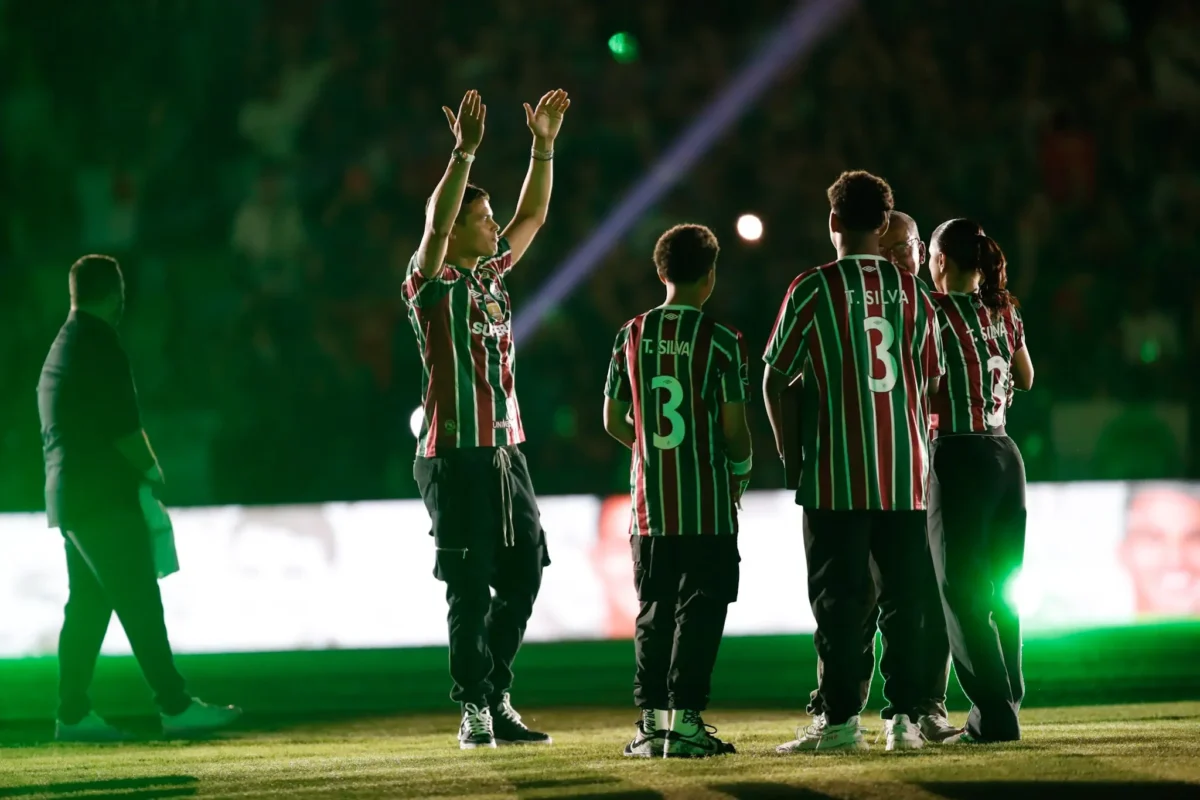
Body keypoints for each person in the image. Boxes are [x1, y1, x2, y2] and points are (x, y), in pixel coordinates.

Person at [403, 89, 569, 750]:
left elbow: (534, 212)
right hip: (453, 455)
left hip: (507, 453)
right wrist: (464, 154)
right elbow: (435, 227)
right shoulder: (433, 282)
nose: (496, 226)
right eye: (484, 216)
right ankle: (471, 706)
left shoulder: (492, 279)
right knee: (469, 586)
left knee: (525, 573)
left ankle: (495, 691)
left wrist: (543, 145)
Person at [762, 172, 946, 753]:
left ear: (835, 221)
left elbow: (774, 374)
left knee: (840, 604)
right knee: (906, 602)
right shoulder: (914, 292)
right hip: (906, 475)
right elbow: (932, 377)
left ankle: (841, 722)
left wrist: (790, 452)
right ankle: (906, 721)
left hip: (834, 474)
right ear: (885, 224)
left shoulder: (813, 288)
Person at [37, 254, 241, 742]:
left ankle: (72, 714)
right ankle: (173, 704)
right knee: (139, 601)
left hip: (71, 498)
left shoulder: (63, 344)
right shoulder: (99, 343)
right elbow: (124, 426)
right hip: (102, 496)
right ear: (114, 293)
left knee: (87, 608)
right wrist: (152, 470)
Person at [602, 224, 752, 759]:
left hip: (651, 509)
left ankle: (651, 725)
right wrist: (741, 469)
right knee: (702, 610)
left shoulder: (631, 334)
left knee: (654, 610)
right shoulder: (722, 341)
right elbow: (734, 426)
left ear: (660, 272)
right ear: (709, 276)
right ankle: (687, 721)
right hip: (707, 504)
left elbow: (612, 418)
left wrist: (648, 450)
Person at [926, 219, 1033, 744]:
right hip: (1006, 455)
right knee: (1002, 591)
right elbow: (1026, 376)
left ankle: (992, 714)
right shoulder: (1004, 311)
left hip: (960, 454)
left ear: (941, 259)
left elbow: (919, 380)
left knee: (962, 590)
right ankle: (1008, 698)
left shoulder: (933, 311)